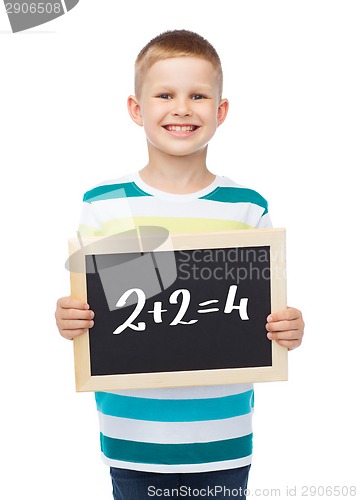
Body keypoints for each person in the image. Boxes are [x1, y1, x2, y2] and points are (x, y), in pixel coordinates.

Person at [55, 29, 304, 499]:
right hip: (133, 437)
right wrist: (69, 317)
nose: (182, 108)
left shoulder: (247, 207)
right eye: (165, 94)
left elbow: (266, 308)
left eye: (198, 95)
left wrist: (289, 326)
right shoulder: (104, 204)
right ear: (137, 109)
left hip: (222, 437)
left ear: (220, 111)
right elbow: (97, 306)